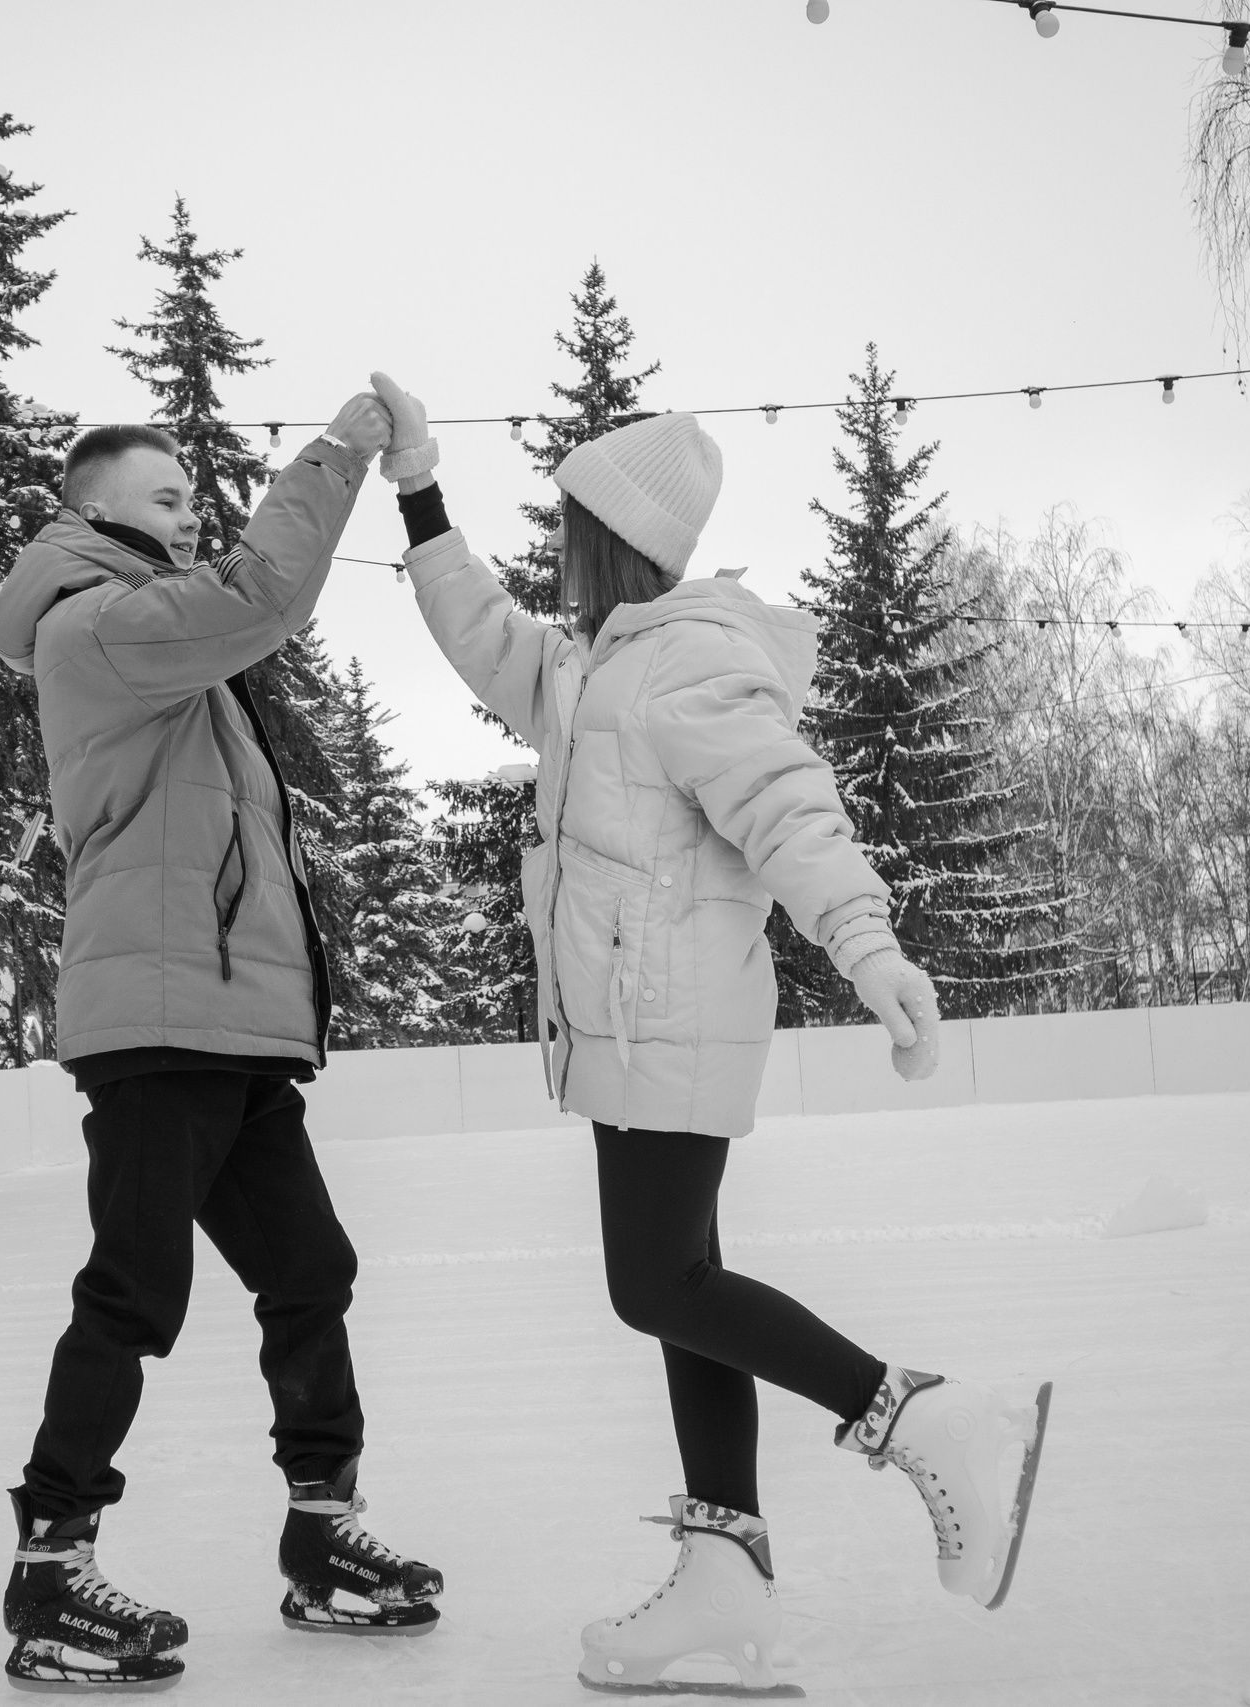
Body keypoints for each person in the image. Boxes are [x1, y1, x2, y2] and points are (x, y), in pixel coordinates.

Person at [366, 374, 1051, 1698]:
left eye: (571, 523)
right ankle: (724, 1587)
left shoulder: (688, 662)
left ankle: (923, 1415)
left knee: (658, 1286)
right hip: (632, 1025)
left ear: (611, 535)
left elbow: (791, 809)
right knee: (686, 1291)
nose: (556, 545)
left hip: (666, 1018)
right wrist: (420, 489)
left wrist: (869, 947)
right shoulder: (589, 668)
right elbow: (476, 630)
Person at [0, 398, 444, 1693]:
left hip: (228, 1026)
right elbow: (262, 594)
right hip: (156, 1025)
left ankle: (322, 1531)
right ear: (91, 509)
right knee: (135, 1291)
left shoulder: (151, 632)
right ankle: (51, 1568)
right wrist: (341, 454)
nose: (190, 516)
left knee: (309, 1270)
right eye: (168, 497)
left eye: (193, 497)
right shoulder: (95, 624)